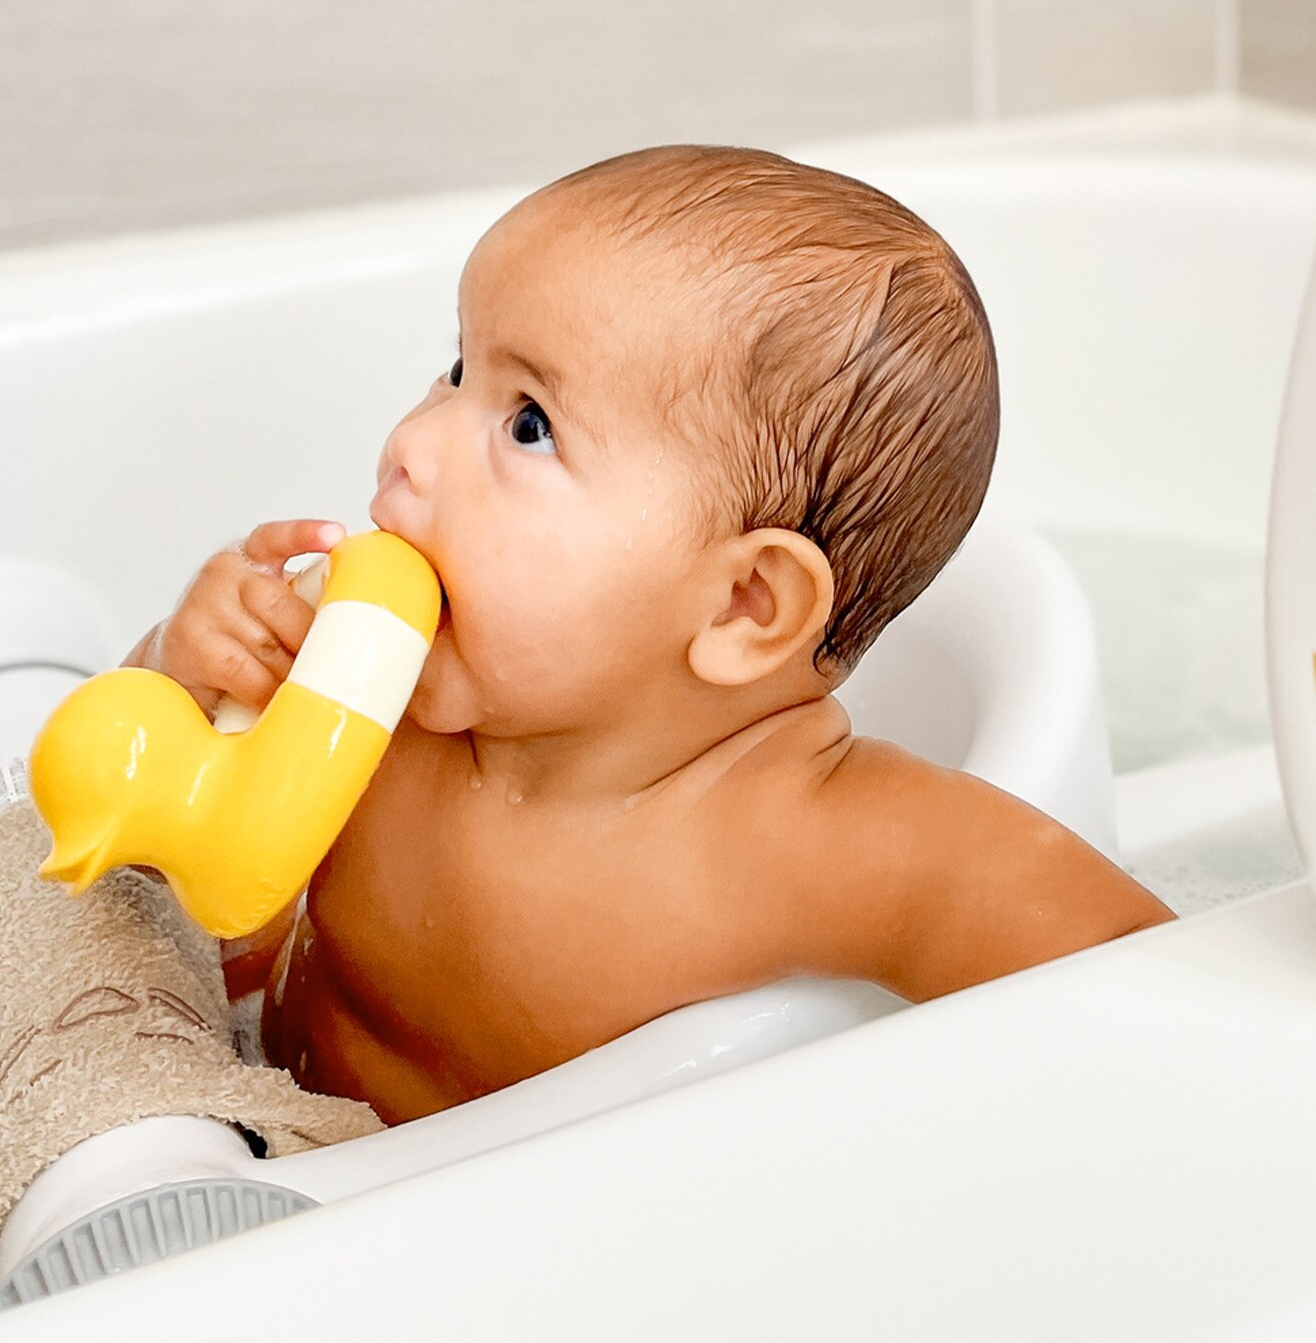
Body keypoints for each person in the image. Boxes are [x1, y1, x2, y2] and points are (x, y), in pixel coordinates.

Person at [117, 144, 1173, 1127]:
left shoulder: (796, 838)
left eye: (527, 423)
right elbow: (144, 829)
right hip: (265, 1139)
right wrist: (186, 662)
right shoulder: (369, 694)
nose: (411, 445)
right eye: (454, 372)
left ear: (743, 606)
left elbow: (1151, 984)